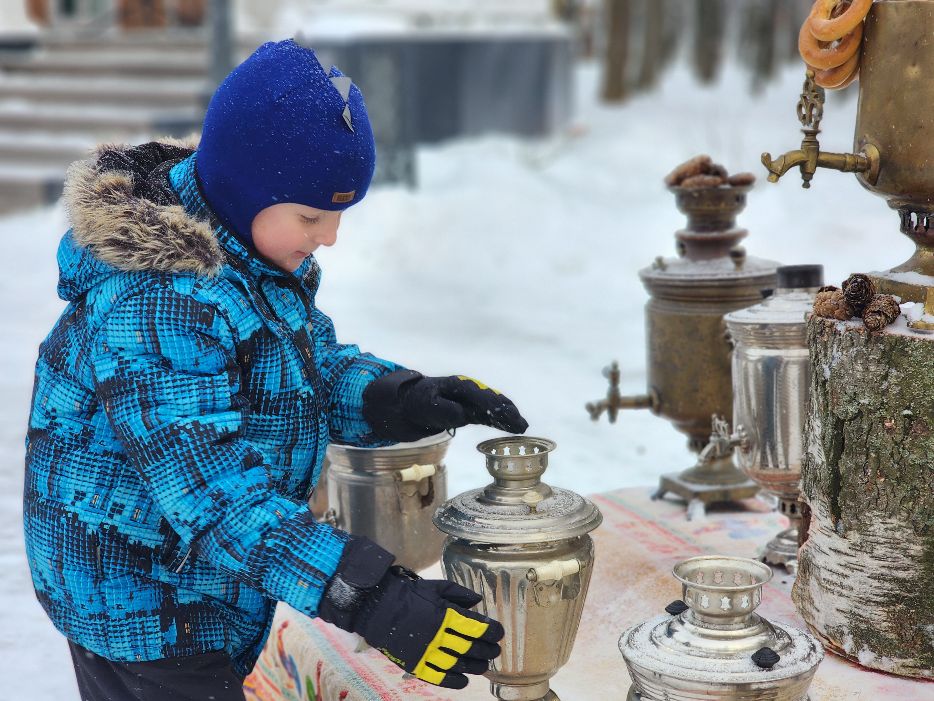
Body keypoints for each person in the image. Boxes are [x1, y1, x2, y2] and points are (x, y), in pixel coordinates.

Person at [23, 39, 528, 701]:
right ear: (244, 186)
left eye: (339, 215)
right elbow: (215, 495)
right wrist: (373, 596)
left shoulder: (249, 253)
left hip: (199, 582)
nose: (329, 237)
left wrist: (395, 397)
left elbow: (300, 366)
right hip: (140, 603)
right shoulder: (157, 301)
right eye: (312, 216)